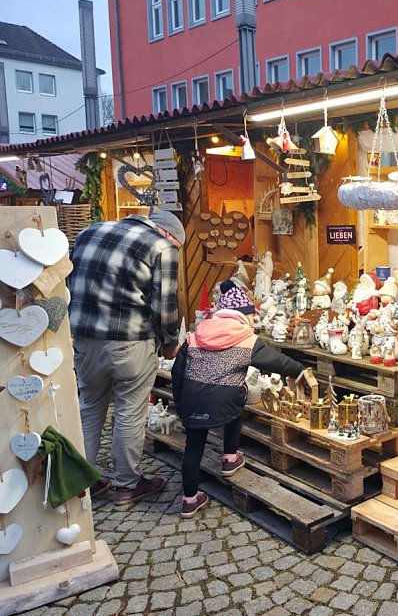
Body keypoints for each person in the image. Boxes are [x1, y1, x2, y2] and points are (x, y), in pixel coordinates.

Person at [69, 209, 186, 505]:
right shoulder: (162, 247)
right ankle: (127, 485)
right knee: (130, 410)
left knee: (89, 406)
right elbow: (164, 306)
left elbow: (70, 284)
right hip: (130, 343)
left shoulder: (89, 231)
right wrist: (171, 342)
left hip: (84, 339)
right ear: (170, 234)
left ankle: (79, 482)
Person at [171, 280, 306, 518]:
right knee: (237, 399)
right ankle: (230, 457)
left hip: (193, 400)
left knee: (193, 447)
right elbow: (277, 362)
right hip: (226, 401)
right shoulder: (246, 338)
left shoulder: (195, 335)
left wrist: (182, 405)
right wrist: (300, 371)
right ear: (244, 315)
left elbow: (178, 372)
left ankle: (189, 500)